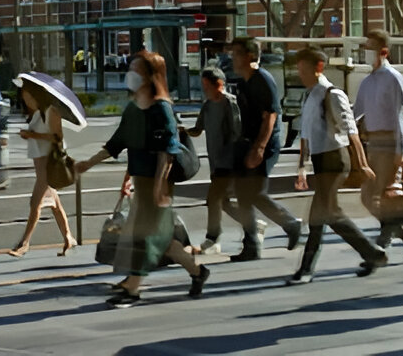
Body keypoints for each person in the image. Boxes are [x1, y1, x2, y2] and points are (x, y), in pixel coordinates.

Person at [76, 51, 209, 307]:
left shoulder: (161, 109)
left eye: (136, 69)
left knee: (144, 236)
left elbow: (167, 152)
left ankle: (133, 289)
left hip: (158, 182)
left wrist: (160, 185)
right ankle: (198, 272)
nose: (130, 74)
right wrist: (88, 163)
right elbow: (119, 143)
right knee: (164, 241)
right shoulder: (133, 109)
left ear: (150, 76)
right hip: (142, 180)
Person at [290, 48, 388, 284]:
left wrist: (362, 164)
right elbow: (305, 135)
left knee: (318, 216)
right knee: (329, 215)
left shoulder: (332, 94)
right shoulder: (310, 95)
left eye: (304, 70)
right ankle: (372, 253)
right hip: (321, 161)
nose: (300, 75)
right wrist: (302, 166)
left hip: (335, 160)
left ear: (319, 68)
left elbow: (351, 130)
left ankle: (306, 270)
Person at [228, 37, 303, 262]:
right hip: (249, 144)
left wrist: (259, 148)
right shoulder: (244, 82)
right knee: (244, 194)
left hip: (265, 145)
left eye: (237, 53)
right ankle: (251, 244)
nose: (232, 58)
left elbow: (270, 116)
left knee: (256, 193)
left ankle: (290, 224)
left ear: (250, 56)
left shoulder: (262, 79)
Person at [353, 29, 403, 258]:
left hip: (390, 143)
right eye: (366, 48)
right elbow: (356, 111)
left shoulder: (394, 78)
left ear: (384, 51)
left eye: (371, 48)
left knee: (386, 195)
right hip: (373, 144)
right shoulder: (367, 82)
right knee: (367, 195)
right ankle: (399, 231)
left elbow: (401, 116)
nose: (368, 53)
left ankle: (382, 244)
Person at [7, 78, 77, 257]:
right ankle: (69, 237)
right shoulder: (38, 113)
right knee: (55, 204)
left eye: (28, 96)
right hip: (40, 165)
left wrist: (32, 135)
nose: (26, 100)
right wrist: (30, 135)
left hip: (49, 165)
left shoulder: (51, 111)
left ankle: (24, 243)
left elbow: (57, 138)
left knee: (35, 203)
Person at [187, 67, 245, 254]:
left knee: (212, 199)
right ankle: (252, 225)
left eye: (207, 86)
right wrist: (181, 130)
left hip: (228, 162)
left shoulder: (230, 103)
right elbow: (197, 130)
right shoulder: (208, 105)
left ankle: (212, 240)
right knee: (224, 203)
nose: (205, 90)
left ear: (219, 85)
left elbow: (237, 132)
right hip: (215, 161)